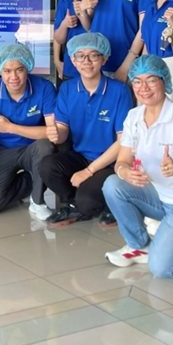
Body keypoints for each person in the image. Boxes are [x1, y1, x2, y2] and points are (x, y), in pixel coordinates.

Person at [102, 56, 173, 275]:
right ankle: (139, 245)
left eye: (151, 80)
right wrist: (125, 172)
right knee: (113, 185)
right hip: (158, 196)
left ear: (164, 81)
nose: (144, 88)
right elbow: (121, 161)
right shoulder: (133, 116)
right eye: (137, 81)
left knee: (161, 270)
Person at [40, 33, 133, 227]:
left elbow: (123, 141)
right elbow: (62, 131)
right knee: (47, 166)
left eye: (93, 55)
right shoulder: (67, 89)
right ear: (73, 61)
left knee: (88, 202)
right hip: (81, 156)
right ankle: (73, 204)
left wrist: (89, 171)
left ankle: (107, 202)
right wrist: (56, 134)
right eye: (80, 56)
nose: (87, 61)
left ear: (104, 59)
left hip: (110, 163)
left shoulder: (120, 91)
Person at [0, 42, 57, 218]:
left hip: (32, 149)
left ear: (27, 68)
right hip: (3, 149)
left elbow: (52, 132)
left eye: (19, 70)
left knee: (45, 146)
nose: (14, 77)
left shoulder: (44, 88)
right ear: (0, 71)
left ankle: (37, 201)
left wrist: (10, 127)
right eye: (7, 71)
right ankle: (27, 183)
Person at [53, 0, 98, 83]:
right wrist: (65, 24)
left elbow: (90, 28)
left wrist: (83, 11)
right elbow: (59, 38)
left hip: (96, 65)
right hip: (71, 66)